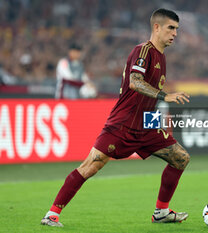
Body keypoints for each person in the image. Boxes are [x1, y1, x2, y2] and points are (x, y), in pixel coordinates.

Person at [41, 8, 191, 227]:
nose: (175, 33)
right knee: (90, 166)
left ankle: (161, 212)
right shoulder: (143, 51)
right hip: (123, 123)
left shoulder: (161, 57)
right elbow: (135, 82)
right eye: (171, 28)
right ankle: (52, 215)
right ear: (156, 27)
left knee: (180, 158)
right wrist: (164, 96)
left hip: (146, 124)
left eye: (177, 29)